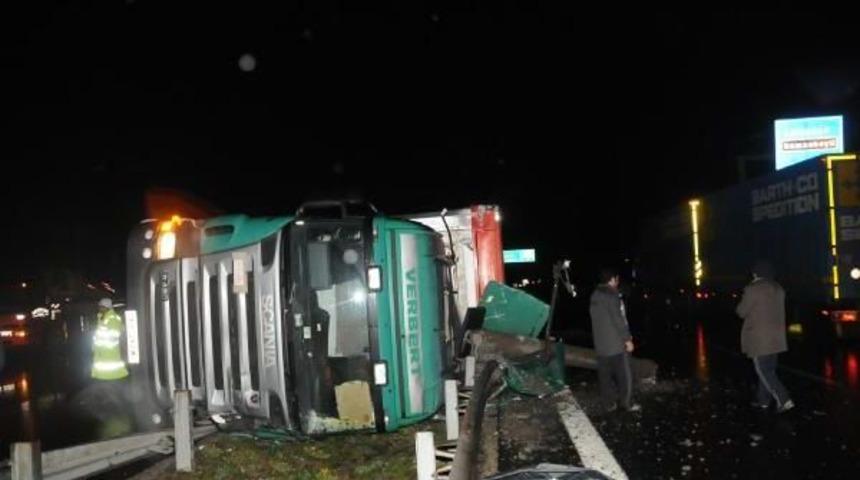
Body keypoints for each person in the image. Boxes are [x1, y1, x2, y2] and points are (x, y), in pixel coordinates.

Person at [736, 260, 794, 413]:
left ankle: (784, 399)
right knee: (769, 370)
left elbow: (741, 311)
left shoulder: (753, 289)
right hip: (776, 337)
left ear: (756, 274)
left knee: (763, 371)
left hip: (760, 338)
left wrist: (747, 291)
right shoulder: (778, 288)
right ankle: (763, 400)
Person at [590, 268, 641, 412]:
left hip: (601, 345)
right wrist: (627, 339)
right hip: (616, 345)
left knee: (605, 377)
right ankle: (627, 403)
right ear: (612, 280)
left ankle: (609, 404)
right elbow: (618, 319)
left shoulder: (595, 295)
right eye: (616, 279)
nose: (617, 282)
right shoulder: (611, 295)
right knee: (625, 375)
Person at [91, 298, 129, 381]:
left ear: (106, 307)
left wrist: (99, 344)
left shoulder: (113, 319)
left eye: (101, 306)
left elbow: (113, 336)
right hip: (102, 355)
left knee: (111, 379)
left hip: (109, 355)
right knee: (105, 379)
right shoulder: (102, 318)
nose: (99, 308)